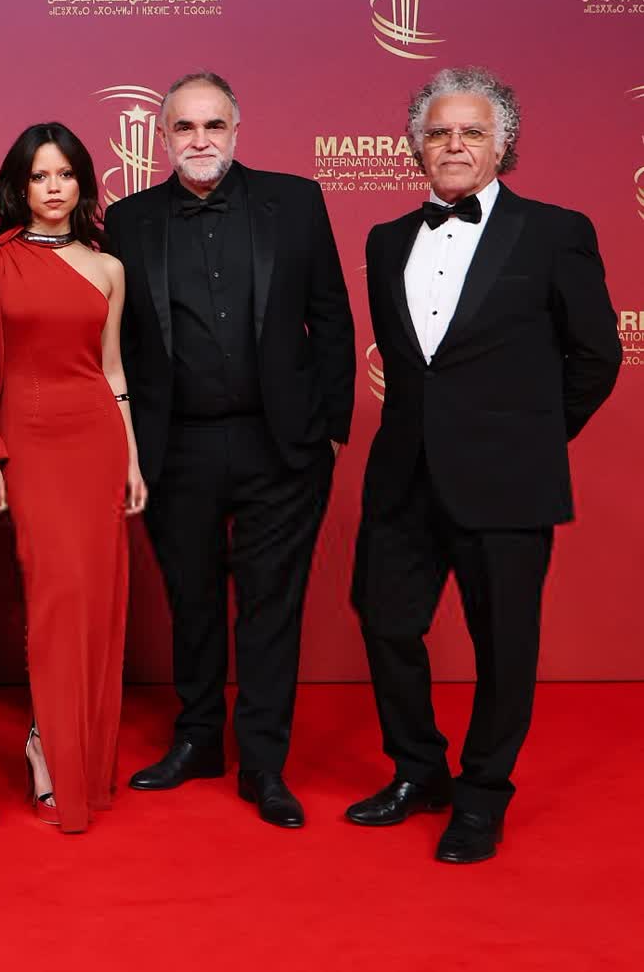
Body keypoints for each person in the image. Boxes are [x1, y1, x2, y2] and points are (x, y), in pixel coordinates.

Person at [348, 67, 619, 864]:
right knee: (385, 621)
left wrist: (531, 437)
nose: (455, 145)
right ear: (416, 148)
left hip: (508, 480)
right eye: (439, 132)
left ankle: (482, 797)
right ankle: (418, 770)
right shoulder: (385, 240)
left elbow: (596, 356)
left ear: (503, 146)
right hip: (403, 475)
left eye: (472, 132)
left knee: (504, 645)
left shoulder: (554, 231)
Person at [103, 71, 354, 829]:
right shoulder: (129, 220)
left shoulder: (296, 201)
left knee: (271, 606)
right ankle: (198, 740)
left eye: (214, 125)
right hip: (175, 445)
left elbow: (332, 318)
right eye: (184, 127)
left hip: (280, 445)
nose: (200, 139)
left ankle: (265, 763)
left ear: (237, 129)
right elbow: (119, 343)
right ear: (162, 137)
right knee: (193, 601)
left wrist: (326, 428)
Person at [0, 123, 144, 833]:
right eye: (40, 175)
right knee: (55, 595)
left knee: (96, 601)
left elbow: (111, 369)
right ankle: (47, 742)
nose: (53, 187)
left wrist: (131, 458)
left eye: (65, 174)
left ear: (82, 184)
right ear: (20, 185)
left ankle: (68, 745)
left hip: (95, 440)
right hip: (30, 442)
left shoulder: (108, 267)